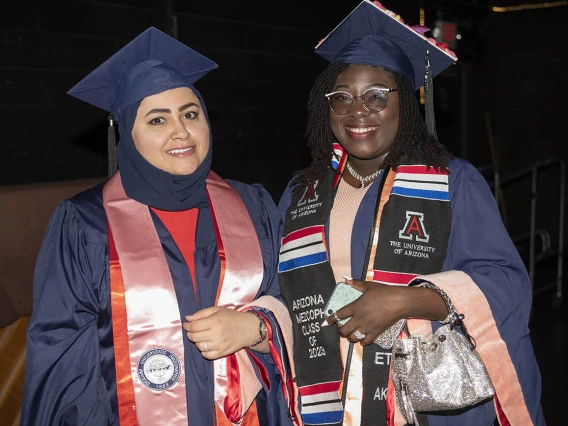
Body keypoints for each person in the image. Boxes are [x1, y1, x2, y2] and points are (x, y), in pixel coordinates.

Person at [277, 1, 545, 425]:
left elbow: (507, 285)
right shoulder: (301, 193)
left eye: (377, 96)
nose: (357, 110)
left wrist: (407, 300)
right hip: (328, 396)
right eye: (341, 97)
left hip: (423, 401)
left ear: (407, 101)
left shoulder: (452, 181)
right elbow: (285, 293)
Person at [21, 27, 301, 426]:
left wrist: (256, 328)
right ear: (128, 136)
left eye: (191, 113)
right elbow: (63, 364)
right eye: (157, 119)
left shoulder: (253, 206)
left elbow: (296, 300)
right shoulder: (84, 224)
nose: (181, 131)